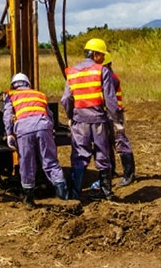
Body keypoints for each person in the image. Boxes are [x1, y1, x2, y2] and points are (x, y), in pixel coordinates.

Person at [61, 37, 122, 201]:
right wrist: (117, 120)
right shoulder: (102, 71)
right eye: (102, 55)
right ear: (95, 54)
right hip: (98, 120)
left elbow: (66, 99)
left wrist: (70, 116)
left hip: (79, 120)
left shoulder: (72, 72)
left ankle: (75, 193)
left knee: (80, 156)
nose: (103, 59)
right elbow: (110, 100)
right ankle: (106, 193)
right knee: (103, 155)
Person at [3, 72, 68, 206]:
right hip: (44, 126)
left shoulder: (11, 95)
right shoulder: (39, 94)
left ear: (13, 85)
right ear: (28, 84)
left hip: (24, 129)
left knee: (27, 163)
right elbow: (49, 114)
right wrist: (50, 131)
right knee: (50, 160)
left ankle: (29, 200)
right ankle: (63, 195)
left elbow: (7, 115)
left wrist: (9, 133)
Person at [104, 52, 136, 186]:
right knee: (107, 143)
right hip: (108, 113)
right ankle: (112, 172)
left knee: (120, 142)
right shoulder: (108, 75)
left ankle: (128, 175)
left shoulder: (109, 77)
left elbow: (110, 100)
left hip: (113, 114)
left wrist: (116, 120)